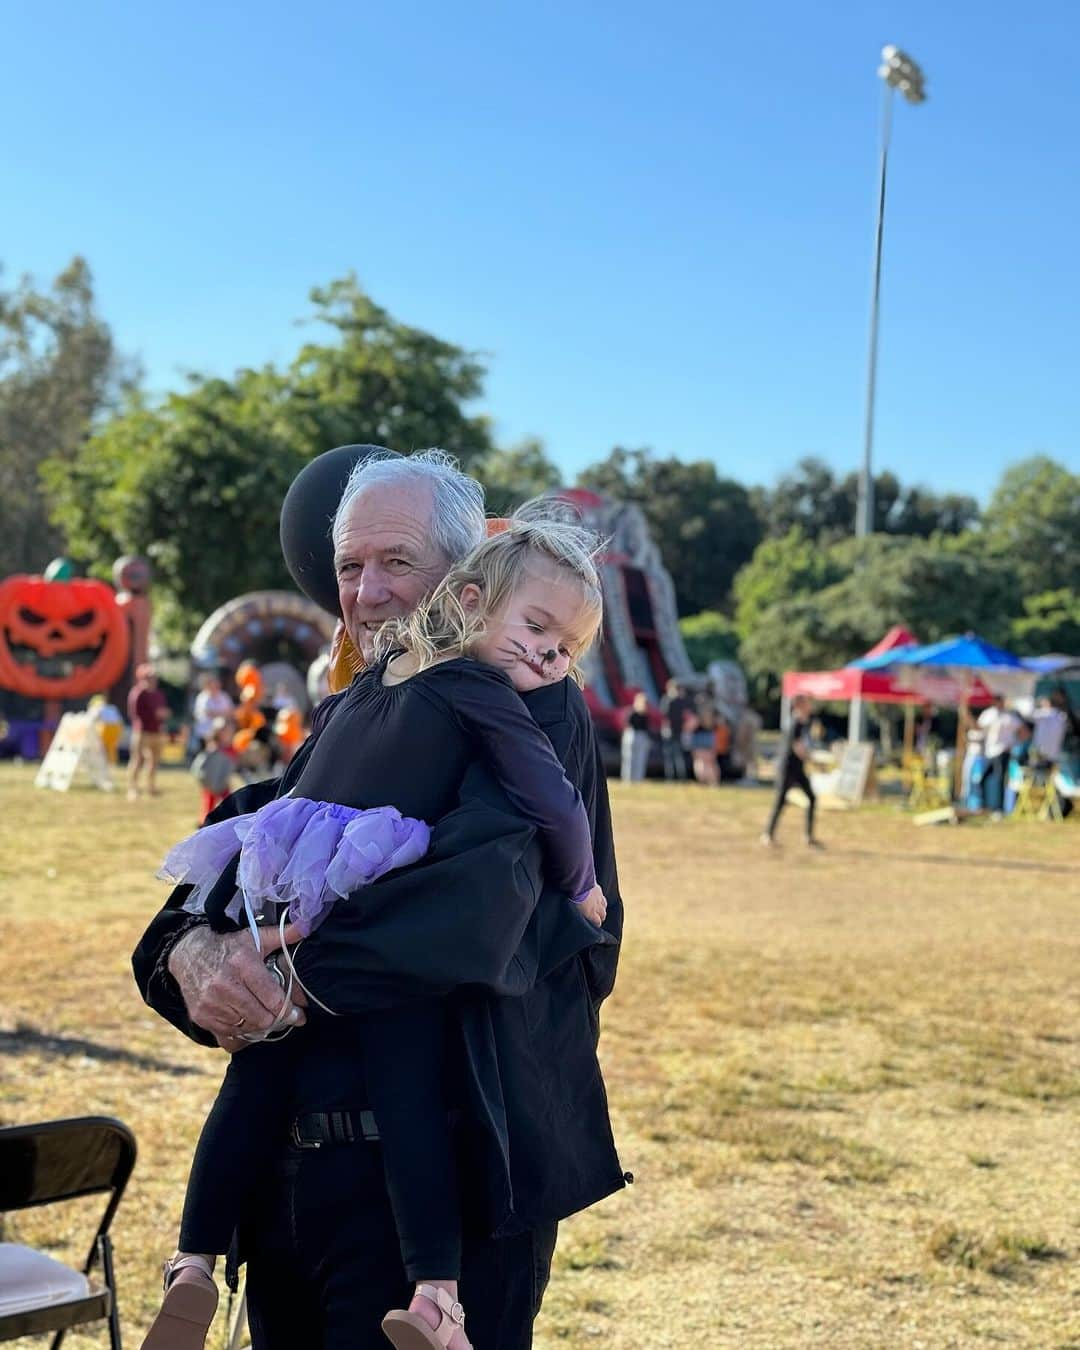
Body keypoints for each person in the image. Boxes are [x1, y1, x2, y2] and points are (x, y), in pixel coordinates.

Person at [132, 449, 625, 1350]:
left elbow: (481, 905)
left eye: (397, 561)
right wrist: (184, 954)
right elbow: (249, 849)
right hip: (289, 1181)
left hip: (442, 1191)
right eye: (351, 567)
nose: (368, 591)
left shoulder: (528, 699)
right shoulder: (358, 706)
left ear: (467, 577)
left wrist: (286, 982)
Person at [762, 694, 820, 848]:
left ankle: (808, 836)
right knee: (780, 801)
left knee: (812, 798)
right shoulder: (795, 722)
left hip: (797, 767)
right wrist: (814, 761)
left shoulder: (804, 722)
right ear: (799, 705)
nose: (810, 706)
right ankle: (768, 834)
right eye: (807, 703)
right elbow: (797, 747)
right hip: (787, 767)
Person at [127, 663, 169, 801]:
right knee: (138, 759)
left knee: (154, 761)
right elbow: (135, 714)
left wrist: (163, 716)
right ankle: (133, 788)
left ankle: (151, 787)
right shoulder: (138, 693)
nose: (152, 679)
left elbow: (162, 710)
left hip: (157, 731)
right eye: (149, 677)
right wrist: (155, 715)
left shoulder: (158, 694)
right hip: (142, 731)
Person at [977, 695, 1019, 815]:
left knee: (1000, 780)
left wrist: (1013, 744)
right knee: (983, 779)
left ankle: (999, 809)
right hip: (990, 752)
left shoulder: (1009, 716)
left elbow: (1024, 732)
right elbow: (978, 727)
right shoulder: (989, 714)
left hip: (1003, 752)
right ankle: (984, 806)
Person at [190, 721, 235, 823]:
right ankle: (204, 823)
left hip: (223, 782)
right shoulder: (212, 747)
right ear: (217, 733)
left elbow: (232, 763)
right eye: (224, 731)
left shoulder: (230, 747)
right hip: (211, 782)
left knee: (229, 802)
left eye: (229, 731)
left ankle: (228, 822)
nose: (227, 734)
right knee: (208, 805)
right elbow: (201, 765)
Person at [192, 674, 236, 748]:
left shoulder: (224, 696)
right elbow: (209, 713)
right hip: (205, 733)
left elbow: (231, 712)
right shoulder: (202, 697)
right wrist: (223, 714)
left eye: (217, 684)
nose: (215, 687)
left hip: (222, 733)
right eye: (213, 685)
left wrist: (221, 714)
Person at [658, 678, 689, 780]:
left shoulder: (667, 700)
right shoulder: (681, 701)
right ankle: (680, 778)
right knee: (677, 756)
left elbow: (663, 716)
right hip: (677, 731)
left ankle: (671, 778)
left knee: (671, 756)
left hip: (670, 731)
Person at [620, 691, 650, 782]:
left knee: (640, 759)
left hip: (641, 736)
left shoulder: (645, 714)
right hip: (632, 735)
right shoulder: (632, 712)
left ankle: (638, 779)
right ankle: (627, 779)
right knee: (629, 759)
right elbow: (626, 725)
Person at [87, 693, 124, 765]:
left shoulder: (97, 707)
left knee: (102, 747)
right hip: (116, 728)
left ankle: (103, 762)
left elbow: (93, 718)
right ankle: (111, 763)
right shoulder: (112, 707)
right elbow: (120, 720)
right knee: (111, 747)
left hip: (106, 728)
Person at [689, 701, 719, 785]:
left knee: (701, 762)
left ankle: (704, 780)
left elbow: (689, 728)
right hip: (708, 740)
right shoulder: (713, 717)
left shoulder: (697, 718)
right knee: (709, 763)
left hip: (700, 740)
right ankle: (712, 781)